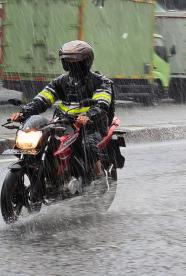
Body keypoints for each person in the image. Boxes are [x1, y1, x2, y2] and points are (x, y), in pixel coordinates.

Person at [9, 40, 113, 192]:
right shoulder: (61, 81)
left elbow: (103, 102)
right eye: (68, 61)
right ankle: (52, 175)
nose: (72, 65)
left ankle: (99, 177)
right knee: (43, 141)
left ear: (85, 62)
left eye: (75, 61)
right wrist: (24, 112)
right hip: (63, 122)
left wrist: (89, 115)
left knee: (87, 145)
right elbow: (43, 99)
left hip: (91, 124)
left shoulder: (99, 82)